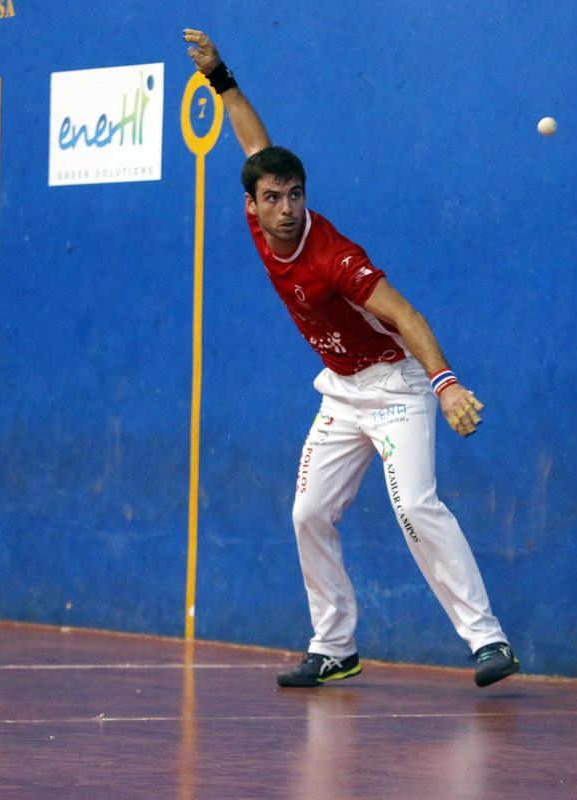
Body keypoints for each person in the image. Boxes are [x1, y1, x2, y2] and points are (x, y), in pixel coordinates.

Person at [183, 29, 519, 689]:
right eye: (273, 199)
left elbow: (405, 315)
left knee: (415, 505)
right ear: (253, 204)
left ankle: (489, 641)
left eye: (295, 196)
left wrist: (446, 385)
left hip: (396, 388)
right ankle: (334, 647)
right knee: (307, 514)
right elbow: (253, 140)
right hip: (341, 391)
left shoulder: (335, 257)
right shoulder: (260, 216)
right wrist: (219, 74)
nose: (286, 210)